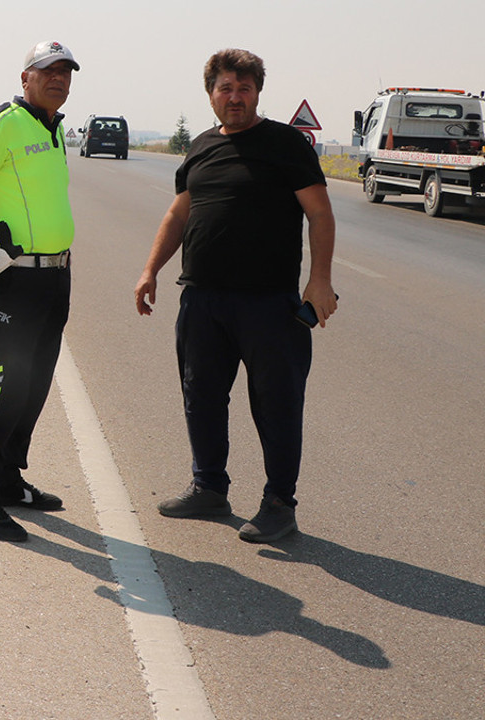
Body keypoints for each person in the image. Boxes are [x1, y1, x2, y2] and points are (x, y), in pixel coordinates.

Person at [133, 48, 337, 543]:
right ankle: (209, 488)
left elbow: (320, 214)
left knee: (276, 403)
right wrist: (150, 270)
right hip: (202, 299)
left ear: (257, 93)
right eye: (226, 88)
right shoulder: (201, 147)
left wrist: (320, 278)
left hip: (269, 304)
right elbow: (178, 215)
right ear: (211, 95)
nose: (235, 97)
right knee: (200, 395)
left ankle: (279, 505)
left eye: (244, 88)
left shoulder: (285, 144)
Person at [0, 41, 80, 542]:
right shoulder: (2, 123)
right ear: (25, 77)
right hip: (14, 281)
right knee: (1, 386)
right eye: (48, 71)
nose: (58, 79)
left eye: (66, 72)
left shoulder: (55, 128)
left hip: (54, 278)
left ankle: (5, 479)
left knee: (34, 385)